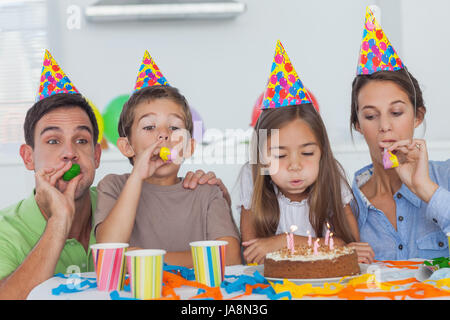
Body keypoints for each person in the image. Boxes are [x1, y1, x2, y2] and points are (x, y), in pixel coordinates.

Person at [0, 51, 230, 300]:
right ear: (27, 157)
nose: (69, 153)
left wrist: (218, 197)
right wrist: (59, 221)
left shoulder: (118, 197)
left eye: (81, 140)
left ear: (97, 155)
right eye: (53, 141)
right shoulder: (6, 230)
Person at [94, 51, 241, 268]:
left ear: (189, 146)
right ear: (126, 147)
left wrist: (147, 260)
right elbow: (109, 254)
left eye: (174, 127)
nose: (163, 134)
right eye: (149, 127)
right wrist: (137, 176)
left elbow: (230, 258)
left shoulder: (207, 191)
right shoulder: (113, 186)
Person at [239, 41, 374, 265]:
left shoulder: (332, 178)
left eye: (308, 153)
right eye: (280, 156)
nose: (295, 165)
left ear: (322, 152)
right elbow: (253, 255)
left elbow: (348, 246)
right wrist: (321, 246)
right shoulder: (252, 177)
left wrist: (284, 241)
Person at [350, 8, 450, 260]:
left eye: (396, 112)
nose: (384, 126)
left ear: (418, 117)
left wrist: (425, 188)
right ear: (358, 125)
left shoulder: (446, 177)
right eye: (371, 116)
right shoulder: (346, 204)